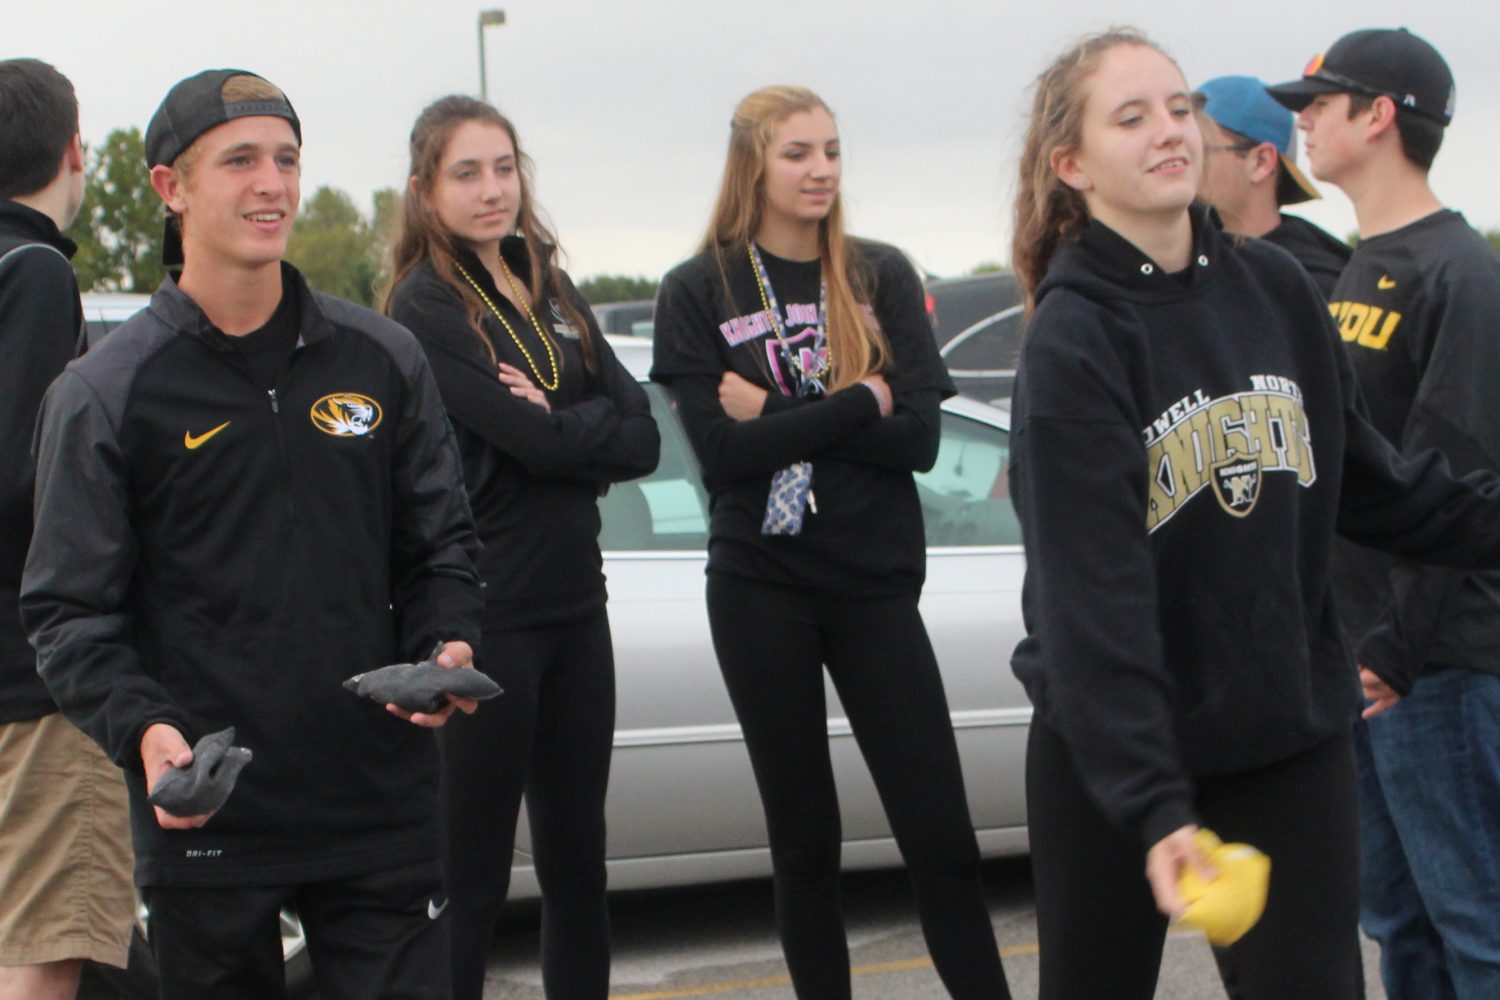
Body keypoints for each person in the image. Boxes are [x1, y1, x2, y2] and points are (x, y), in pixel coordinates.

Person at [1008, 28, 1500, 1000]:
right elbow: (1089, 599)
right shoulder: (1076, 338)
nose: (1168, 131)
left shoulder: (1274, 286)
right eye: (1131, 116)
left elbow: (1375, 485)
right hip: (1112, 755)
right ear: (1071, 164)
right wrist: (1153, 806)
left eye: (1180, 108)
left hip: (1282, 740)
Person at [19, 69, 485, 1000]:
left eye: (286, 159)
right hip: (210, 814)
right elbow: (68, 615)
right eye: (240, 161)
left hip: (376, 803)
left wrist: (447, 642)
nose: (271, 183)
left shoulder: (381, 357)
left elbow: (443, 548)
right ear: (170, 187)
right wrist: (145, 728)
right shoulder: (107, 391)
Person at [649, 85, 1010, 1000]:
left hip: (874, 587)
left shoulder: (879, 275)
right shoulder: (699, 289)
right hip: (760, 585)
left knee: (943, 838)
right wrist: (862, 400)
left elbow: (921, 440)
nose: (820, 171)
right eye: (798, 153)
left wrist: (779, 408)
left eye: (833, 152)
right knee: (804, 842)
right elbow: (724, 458)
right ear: (754, 166)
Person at [384, 95, 660, 1000]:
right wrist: (577, 433)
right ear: (427, 190)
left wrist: (563, 424)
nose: (492, 189)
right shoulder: (426, 305)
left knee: (580, 858)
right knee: (472, 873)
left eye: (504, 168)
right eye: (467, 172)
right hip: (488, 614)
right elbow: (533, 440)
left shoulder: (548, 283)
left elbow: (645, 435)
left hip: (579, 607)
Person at [1269, 28, 1500, 1000]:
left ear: (1381, 116)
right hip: (1363, 661)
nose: (1304, 120)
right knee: (1399, 924)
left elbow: (1463, 487)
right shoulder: (1360, 266)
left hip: (1435, 667)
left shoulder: (1460, 274)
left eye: (1323, 102)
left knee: (1476, 928)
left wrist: (1393, 655)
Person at [0, 57, 133, 1000]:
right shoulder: (36, 270)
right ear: (74, 150)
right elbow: (28, 475)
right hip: (35, 681)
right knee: (44, 952)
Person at [1193, 74, 1350, 296]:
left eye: (1199, 151)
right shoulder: (1180, 267)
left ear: (1261, 162)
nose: (1181, 166)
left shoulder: (1315, 286)